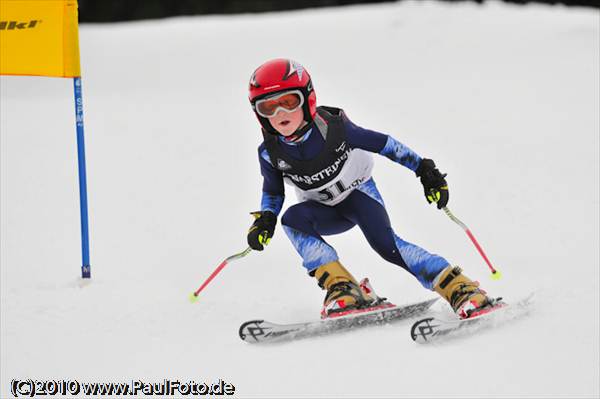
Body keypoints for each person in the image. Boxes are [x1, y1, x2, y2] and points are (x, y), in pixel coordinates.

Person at [246, 58, 494, 319]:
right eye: (268, 107)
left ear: (307, 99)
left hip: (359, 197)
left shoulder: (334, 128)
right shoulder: (269, 153)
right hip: (323, 211)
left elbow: (385, 144)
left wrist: (424, 170)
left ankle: (461, 289)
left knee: (386, 245)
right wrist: (266, 219)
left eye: (288, 102)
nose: (279, 114)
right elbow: (273, 191)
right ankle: (344, 289)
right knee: (292, 220)